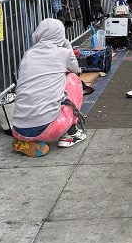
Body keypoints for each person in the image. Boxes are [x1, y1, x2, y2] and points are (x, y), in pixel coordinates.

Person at [10, 18, 85, 157]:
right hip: (46, 130)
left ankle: (25, 141)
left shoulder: (28, 54)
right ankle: (71, 133)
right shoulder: (63, 53)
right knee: (73, 78)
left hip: (17, 128)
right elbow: (76, 69)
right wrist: (68, 46)